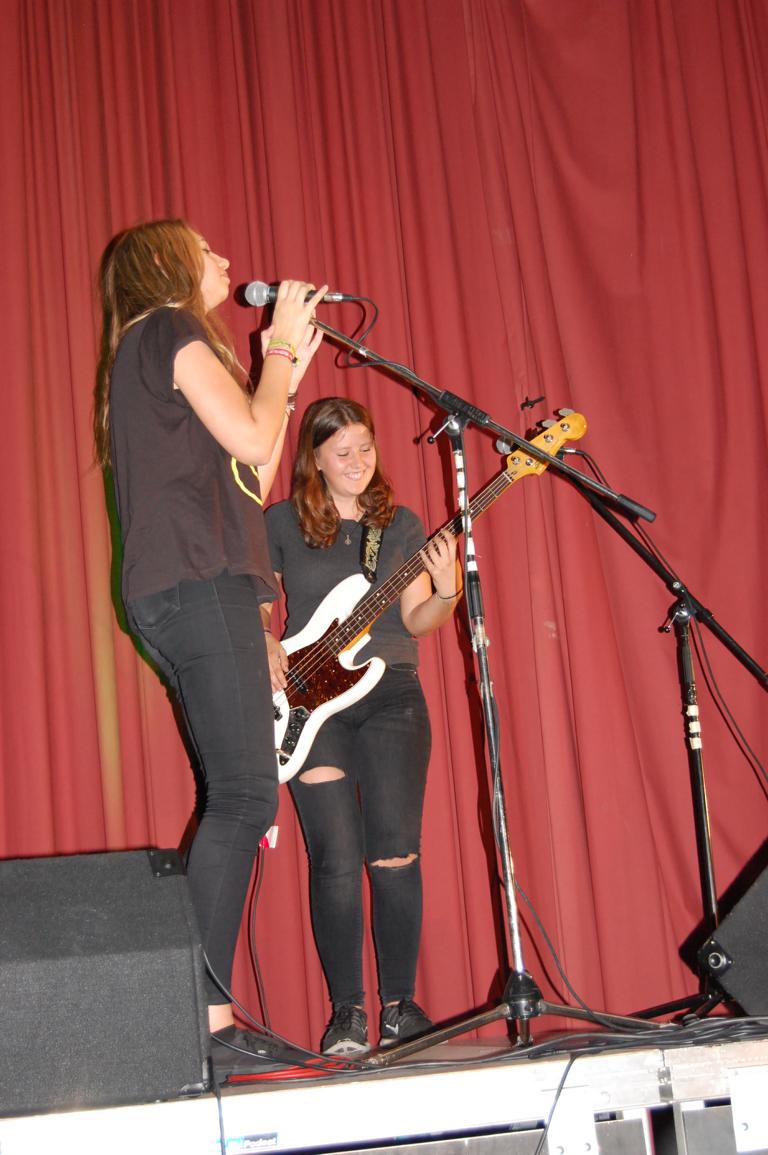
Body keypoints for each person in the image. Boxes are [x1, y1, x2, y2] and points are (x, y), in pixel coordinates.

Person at [93, 218, 326, 1076]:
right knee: (243, 796)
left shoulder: (157, 347)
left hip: (194, 587)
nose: (226, 260)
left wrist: (282, 381)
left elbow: (250, 476)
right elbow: (257, 444)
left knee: (239, 794)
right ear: (169, 266)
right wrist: (283, 350)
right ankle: (200, 1017)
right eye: (206, 250)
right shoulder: (167, 328)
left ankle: (204, 1014)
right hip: (197, 584)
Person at [262, 397, 462, 1054]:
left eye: (366, 448)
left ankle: (400, 1004)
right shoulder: (282, 521)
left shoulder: (398, 524)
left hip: (391, 695)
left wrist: (447, 591)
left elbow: (416, 620)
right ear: (314, 459)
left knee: (395, 851)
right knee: (336, 858)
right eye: (342, 452)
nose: (357, 462)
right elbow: (257, 600)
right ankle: (347, 1011)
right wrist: (264, 640)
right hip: (310, 703)